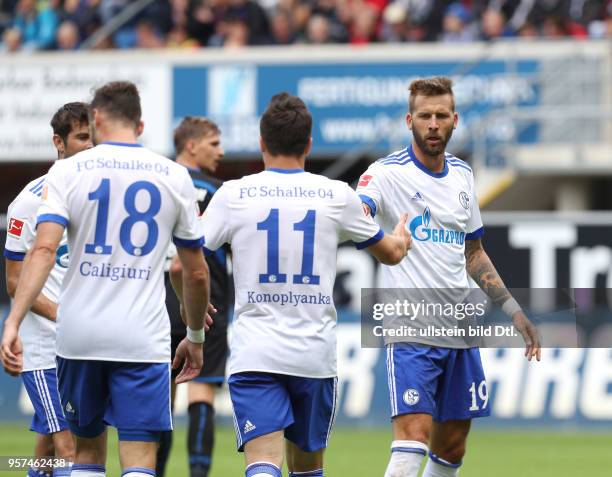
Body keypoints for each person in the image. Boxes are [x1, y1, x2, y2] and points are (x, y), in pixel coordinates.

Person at [0, 81, 210, 477]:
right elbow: (193, 270)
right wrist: (195, 335)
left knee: (78, 455)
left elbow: (43, 251)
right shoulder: (174, 175)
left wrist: (12, 321)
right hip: (141, 336)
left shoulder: (70, 174)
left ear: (97, 120)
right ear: (142, 124)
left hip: (78, 335)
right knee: (135, 458)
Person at [201, 92, 412, 477]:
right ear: (309, 144)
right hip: (313, 355)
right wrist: (402, 236)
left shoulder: (233, 195)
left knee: (263, 463)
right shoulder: (335, 194)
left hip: (256, 352)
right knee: (307, 469)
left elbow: (188, 258)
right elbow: (392, 253)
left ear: (261, 143)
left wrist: (193, 314)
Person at [356, 76, 541, 477]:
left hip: (461, 331)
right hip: (410, 329)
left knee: (452, 447)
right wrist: (384, 242)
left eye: (441, 115)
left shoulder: (462, 175)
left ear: (455, 119)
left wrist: (512, 310)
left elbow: (473, 253)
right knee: (412, 439)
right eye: (425, 116)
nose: (433, 124)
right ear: (410, 120)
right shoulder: (385, 173)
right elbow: (357, 214)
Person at [3, 102, 92, 477]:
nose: (90, 146)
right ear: (59, 142)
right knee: (70, 446)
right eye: (81, 137)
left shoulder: (98, 197)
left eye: (94, 137)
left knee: (46, 451)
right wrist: (63, 315)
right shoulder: (28, 202)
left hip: (85, 342)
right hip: (43, 348)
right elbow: (13, 280)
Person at [157, 117, 228, 477]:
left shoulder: (155, 182)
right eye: (214, 144)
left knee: (161, 401)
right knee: (201, 391)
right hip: (204, 300)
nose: (221, 151)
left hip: (155, 301)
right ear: (191, 146)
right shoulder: (217, 190)